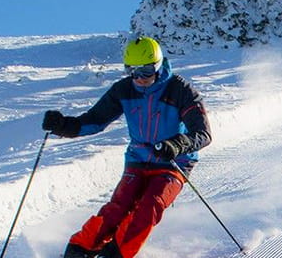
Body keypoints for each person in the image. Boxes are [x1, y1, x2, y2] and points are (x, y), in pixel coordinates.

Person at [43, 37, 212, 258]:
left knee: (149, 205)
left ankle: (116, 254)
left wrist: (177, 144)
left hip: (173, 161)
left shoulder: (180, 90)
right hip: (138, 158)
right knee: (119, 206)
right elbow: (94, 120)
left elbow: (203, 134)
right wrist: (63, 125)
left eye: (146, 70)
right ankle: (80, 249)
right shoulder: (123, 90)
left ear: (159, 65)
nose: (140, 78)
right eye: (133, 71)